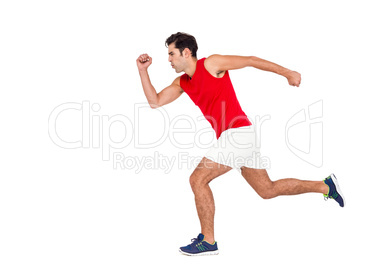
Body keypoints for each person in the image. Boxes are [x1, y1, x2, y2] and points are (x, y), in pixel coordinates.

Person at [136, 32, 345, 256]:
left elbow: (250, 60)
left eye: (171, 54)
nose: (169, 59)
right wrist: (142, 71)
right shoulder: (182, 82)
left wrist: (287, 73)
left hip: (237, 134)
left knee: (198, 179)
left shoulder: (212, 64)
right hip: (238, 137)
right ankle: (325, 186)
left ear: (186, 52)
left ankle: (208, 241)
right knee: (267, 190)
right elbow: (155, 101)